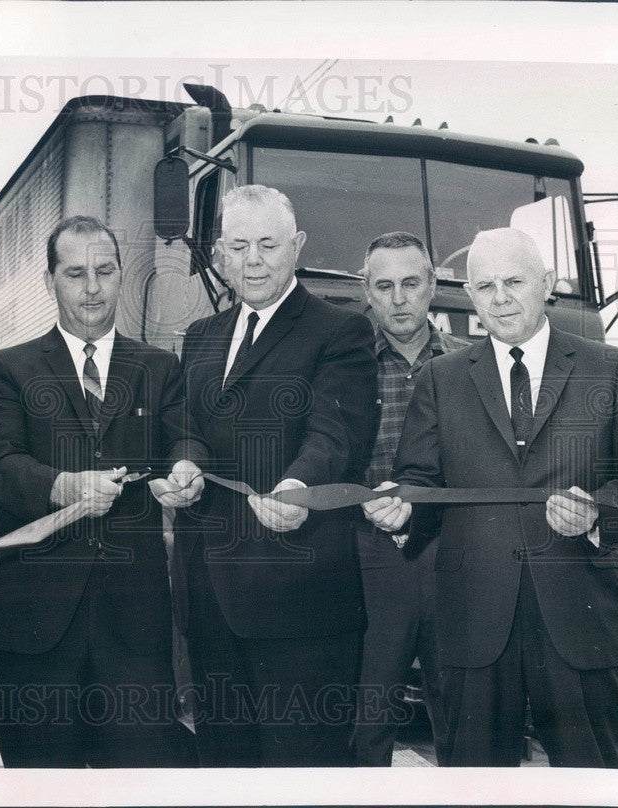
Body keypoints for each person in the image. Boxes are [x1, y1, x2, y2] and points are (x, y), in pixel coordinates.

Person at [364, 227, 618, 768]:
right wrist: (402, 511)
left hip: (579, 618)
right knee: (476, 785)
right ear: (469, 297)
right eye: (485, 286)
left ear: (547, 284)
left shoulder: (610, 367)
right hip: (472, 623)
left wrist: (599, 513)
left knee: (593, 782)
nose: (501, 298)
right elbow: (418, 477)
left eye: (514, 281)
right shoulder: (441, 378)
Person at [0, 215, 207, 767]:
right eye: (75, 273)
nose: (93, 287)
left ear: (122, 274)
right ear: (50, 281)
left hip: (134, 632)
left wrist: (186, 471)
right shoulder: (11, 368)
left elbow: (186, 439)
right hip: (35, 627)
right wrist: (63, 486)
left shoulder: (158, 367)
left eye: (105, 271)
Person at [174, 185, 378, 766]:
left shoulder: (339, 331)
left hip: (301, 602)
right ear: (219, 254)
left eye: (267, 244)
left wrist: (298, 486)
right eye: (238, 246)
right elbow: (188, 427)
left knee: (302, 770)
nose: (253, 260)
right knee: (223, 766)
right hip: (212, 598)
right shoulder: (200, 338)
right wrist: (184, 463)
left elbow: (335, 433)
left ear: (297, 247)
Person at [352, 232, 466, 766]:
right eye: (384, 285)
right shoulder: (344, 365)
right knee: (365, 716)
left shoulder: (471, 365)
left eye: (411, 283)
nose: (399, 298)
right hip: (368, 556)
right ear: (366, 293)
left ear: (433, 286)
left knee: (462, 715)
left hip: (453, 555)